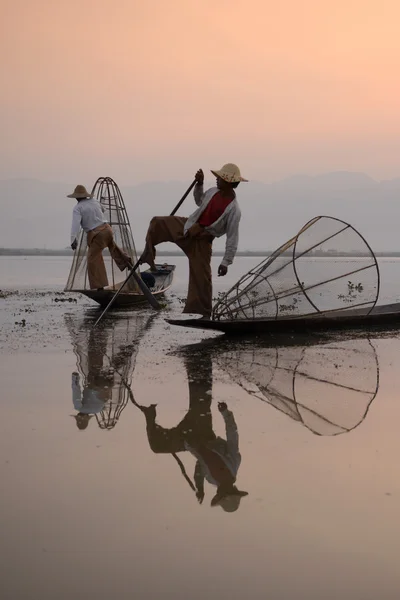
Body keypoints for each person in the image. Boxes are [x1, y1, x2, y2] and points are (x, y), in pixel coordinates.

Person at [139, 163, 248, 318]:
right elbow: (199, 201)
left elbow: (232, 237)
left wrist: (225, 262)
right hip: (187, 227)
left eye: (220, 178)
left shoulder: (234, 210)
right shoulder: (212, 192)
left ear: (228, 181)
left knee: (202, 279)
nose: (216, 179)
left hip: (203, 241)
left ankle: (204, 314)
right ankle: (148, 255)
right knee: (157, 223)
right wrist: (199, 184)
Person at [68, 184, 133, 290]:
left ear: (76, 197)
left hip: (98, 234)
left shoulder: (78, 208)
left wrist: (73, 239)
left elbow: (75, 224)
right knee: (114, 248)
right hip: (107, 229)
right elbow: (104, 209)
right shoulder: (94, 201)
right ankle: (128, 263)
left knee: (92, 260)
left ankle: (99, 287)